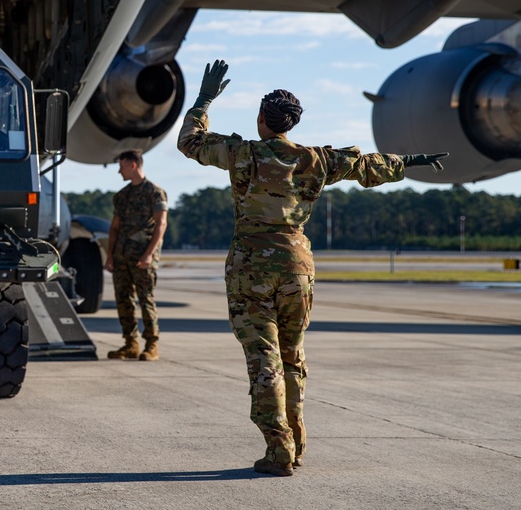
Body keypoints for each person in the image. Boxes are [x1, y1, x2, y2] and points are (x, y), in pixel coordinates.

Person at [177, 59, 446, 477]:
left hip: (252, 268)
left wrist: (204, 99)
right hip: (297, 268)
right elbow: (365, 165)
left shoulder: (242, 154)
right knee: (292, 356)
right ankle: (296, 442)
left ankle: (279, 447)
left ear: (263, 120)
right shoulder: (315, 160)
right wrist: (408, 160)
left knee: (264, 358)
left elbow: (191, 142)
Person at [104, 149, 168, 362]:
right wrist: (110, 256)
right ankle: (130, 344)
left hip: (143, 256)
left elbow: (161, 225)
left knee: (145, 299)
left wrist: (149, 255)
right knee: (123, 300)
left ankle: (152, 345)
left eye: (121, 166)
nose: (118, 171)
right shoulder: (121, 196)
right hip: (122, 255)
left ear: (132, 165)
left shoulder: (155, 193)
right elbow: (114, 228)